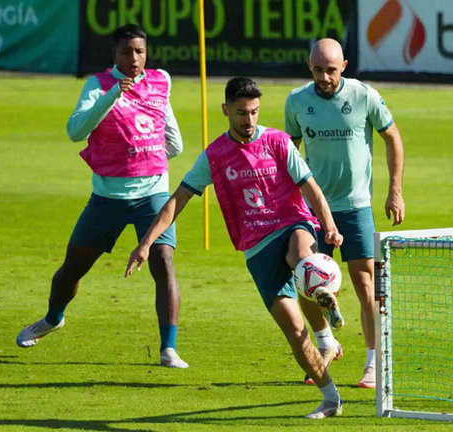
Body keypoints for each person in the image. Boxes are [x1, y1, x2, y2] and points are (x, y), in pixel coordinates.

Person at [125, 77, 344, 419]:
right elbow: (177, 201)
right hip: (256, 247)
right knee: (293, 328)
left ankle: (325, 316)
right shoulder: (214, 155)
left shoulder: (278, 141)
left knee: (303, 259)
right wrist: (146, 243)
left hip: (292, 224)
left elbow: (311, 188)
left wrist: (328, 224)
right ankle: (330, 398)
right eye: (242, 113)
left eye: (255, 112)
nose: (249, 120)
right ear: (226, 110)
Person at [16, 24, 188, 368]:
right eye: (126, 51)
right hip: (107, 197)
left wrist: (145, 158)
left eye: (139, 51)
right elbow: (75, 131)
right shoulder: (98, 85)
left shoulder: (161, 81)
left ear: (146, 52)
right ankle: (53, 318)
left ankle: (168, 348)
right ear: (114, 54)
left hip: (152, 194)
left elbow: (174, 142)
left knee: (164, 264)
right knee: (73, 269)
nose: (134, 58)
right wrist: (113, 97)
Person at [284, 38, 405, 388]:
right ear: (310, 67)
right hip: (313, 209)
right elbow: (291, 153)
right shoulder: (296, 101)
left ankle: (372, 362)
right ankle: (327, 343)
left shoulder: (363, 95)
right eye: (318, 70)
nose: (325, 77)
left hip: (355, 207)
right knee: (305, 281)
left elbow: (392, 137)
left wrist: (394, 191)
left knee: (366, 283)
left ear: (345, 66)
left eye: (331, 70)